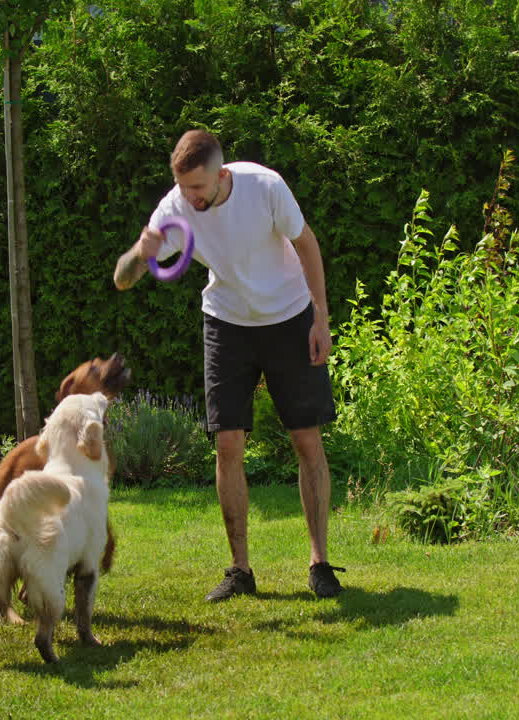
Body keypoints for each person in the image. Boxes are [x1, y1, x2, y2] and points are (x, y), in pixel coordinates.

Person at [112, 129, 344, 601]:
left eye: (198, 188)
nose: (190, 198)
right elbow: (123, 279)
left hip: (289, 316)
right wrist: (142, 254)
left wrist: (320, 318)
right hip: (227, 323)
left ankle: (320, 563)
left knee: (305, 438)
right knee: (227, 443)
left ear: (221, 174)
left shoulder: (264, 187)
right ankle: (240, 571)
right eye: (183, 188)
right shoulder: (175, 207)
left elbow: (307, 245)